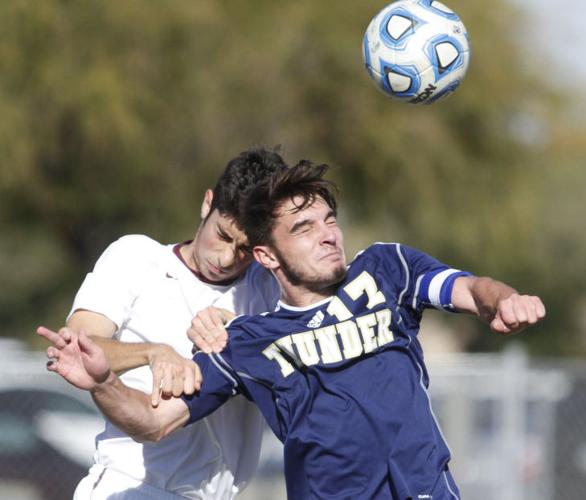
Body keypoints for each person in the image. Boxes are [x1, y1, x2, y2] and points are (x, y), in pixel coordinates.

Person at [39, 161, 545, 500]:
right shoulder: (249, 338)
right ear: (269, 255)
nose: (327, 235)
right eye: (304, 229)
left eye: (330, 220)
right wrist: (106, 382)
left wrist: (501, 300)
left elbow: (468, 287)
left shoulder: (386, 270)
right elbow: (152, 422)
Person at [49, 148, 285, 499]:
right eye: (222, 235)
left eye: (245, 248)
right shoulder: (136, 256)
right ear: (207, 204)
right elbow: (80, 345)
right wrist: (153, 353)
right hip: (132, 488)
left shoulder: (269, 290)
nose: (226, 258)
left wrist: (240, 331)